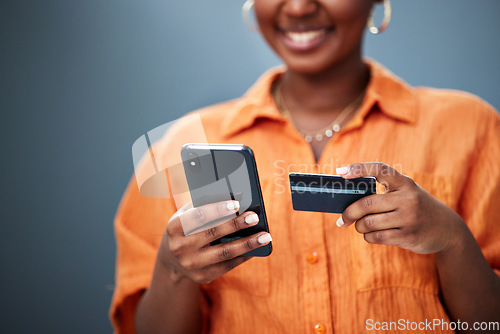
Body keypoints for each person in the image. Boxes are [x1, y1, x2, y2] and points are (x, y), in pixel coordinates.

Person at [110, 1, 500, 333]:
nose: (298, 7)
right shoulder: (178, 148)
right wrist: (173, 268)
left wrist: (452, 239)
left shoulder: (471, 129)